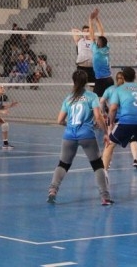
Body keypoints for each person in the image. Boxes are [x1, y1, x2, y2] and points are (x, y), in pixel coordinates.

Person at [47, 70, 113, 205]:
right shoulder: (92, 96)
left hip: (69, 135)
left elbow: (59, 120)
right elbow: (98, 116)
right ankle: (105, 197)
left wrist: (69, 125)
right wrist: (105, 132)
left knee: (63, 164)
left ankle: (53, 190)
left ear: (73, 81)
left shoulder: (69, 98)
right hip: (86, 135)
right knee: (97, 165)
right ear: (87, 81)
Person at [100, 71, 137, 168]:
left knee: (111, 141)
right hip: (125, 119)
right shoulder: (128, 90)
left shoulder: (110, 89)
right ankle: (136, 159)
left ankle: (107, 162)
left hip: (112, 118)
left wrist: (104, 113)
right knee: (133, 138)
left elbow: (101, 101)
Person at [88, 8, 114, 97]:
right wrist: (97, 19)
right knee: (109, 100)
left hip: (101, 80)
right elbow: (102, 33)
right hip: (109, 79)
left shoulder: (96, 51)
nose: (96, 40)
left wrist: (90, 20)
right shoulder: (107, 48)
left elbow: (91, 34)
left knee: (97, 99)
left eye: (97, 40)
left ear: (98, 44)